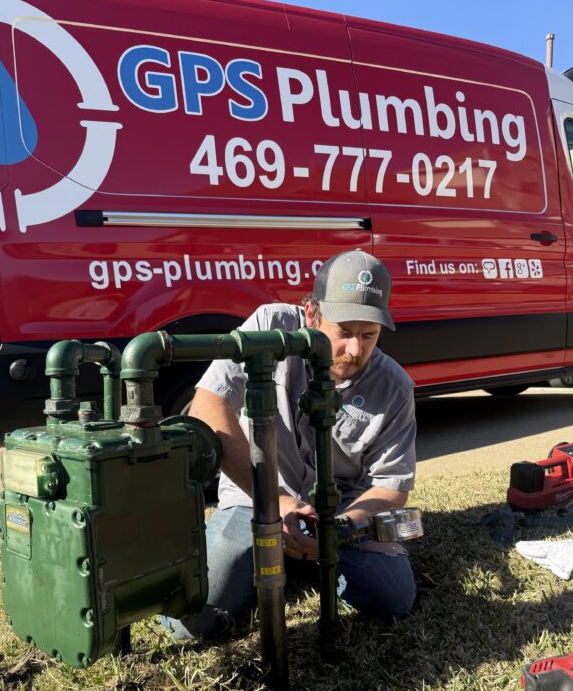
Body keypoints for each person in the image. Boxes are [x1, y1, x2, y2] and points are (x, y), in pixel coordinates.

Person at [163, 249, 417, 638]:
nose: (355, 350)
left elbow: (391, 485)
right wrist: (275, 501)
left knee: (394, 597)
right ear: (312, 314)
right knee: (190, 621)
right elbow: (207, 405)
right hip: (253, 500)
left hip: (341, 511)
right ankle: (281, 560)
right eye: (344, 332)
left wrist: (341, 527)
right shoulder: (271, 326)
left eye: (369, 335)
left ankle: (305, 558)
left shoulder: (394, 386)